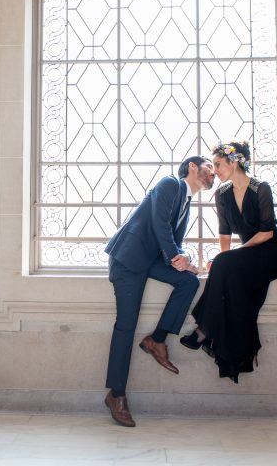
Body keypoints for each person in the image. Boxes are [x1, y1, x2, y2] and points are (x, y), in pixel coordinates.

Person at [103, 156, 216, 427]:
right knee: (126, 326)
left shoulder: (187, 203)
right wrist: (177, 256)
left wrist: (183, 258)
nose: (214, 173)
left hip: (151, 261)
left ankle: (157, 339)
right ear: (192, 166)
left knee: (189, 282)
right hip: (129, 260)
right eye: (210, 167)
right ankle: (116, 394)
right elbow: (158, 224)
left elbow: (175, 241)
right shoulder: (170, 183)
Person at [179, 140, 277, 383]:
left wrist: (229, 257)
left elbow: (267, 233)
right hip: (248, 256)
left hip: (273, 251)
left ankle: (203, 329)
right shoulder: (222, 194)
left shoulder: (260, 188)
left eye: (218, 165)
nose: (214, 171)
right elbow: (224, 232)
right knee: (224, 266)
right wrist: (225, 256)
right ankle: (209, 333)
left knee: (224, 263)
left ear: (234, 161)